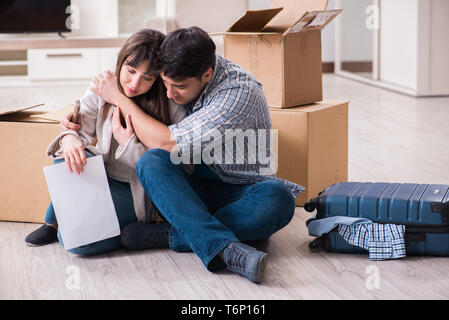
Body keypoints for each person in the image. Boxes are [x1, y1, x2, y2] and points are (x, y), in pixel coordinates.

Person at [61, 27, 304, 283]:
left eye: (178, 87)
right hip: (189, 189)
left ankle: (171, 235)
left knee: (279, 199)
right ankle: (226, 245)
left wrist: (120, 99)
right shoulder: (183, 64)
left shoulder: (237, 94)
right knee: (151, 162)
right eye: (164, 83)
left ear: (207, 75)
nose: (168, 94)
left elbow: (167, 142)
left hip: (240, 189)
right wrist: (68, 131)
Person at [24, 29, 186, 255]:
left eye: (147, 78)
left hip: (136, 189)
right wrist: (70, 138)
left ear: (158, 77)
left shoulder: (170, 104)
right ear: (121, 62)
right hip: (101, 176)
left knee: (75, 242)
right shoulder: (104, 86)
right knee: (69, 155)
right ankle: (52, 221)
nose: (135, 82)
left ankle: (133, 235)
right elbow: (79, 129)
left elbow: (174, 170)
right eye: (130, 70)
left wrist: (129, 144)